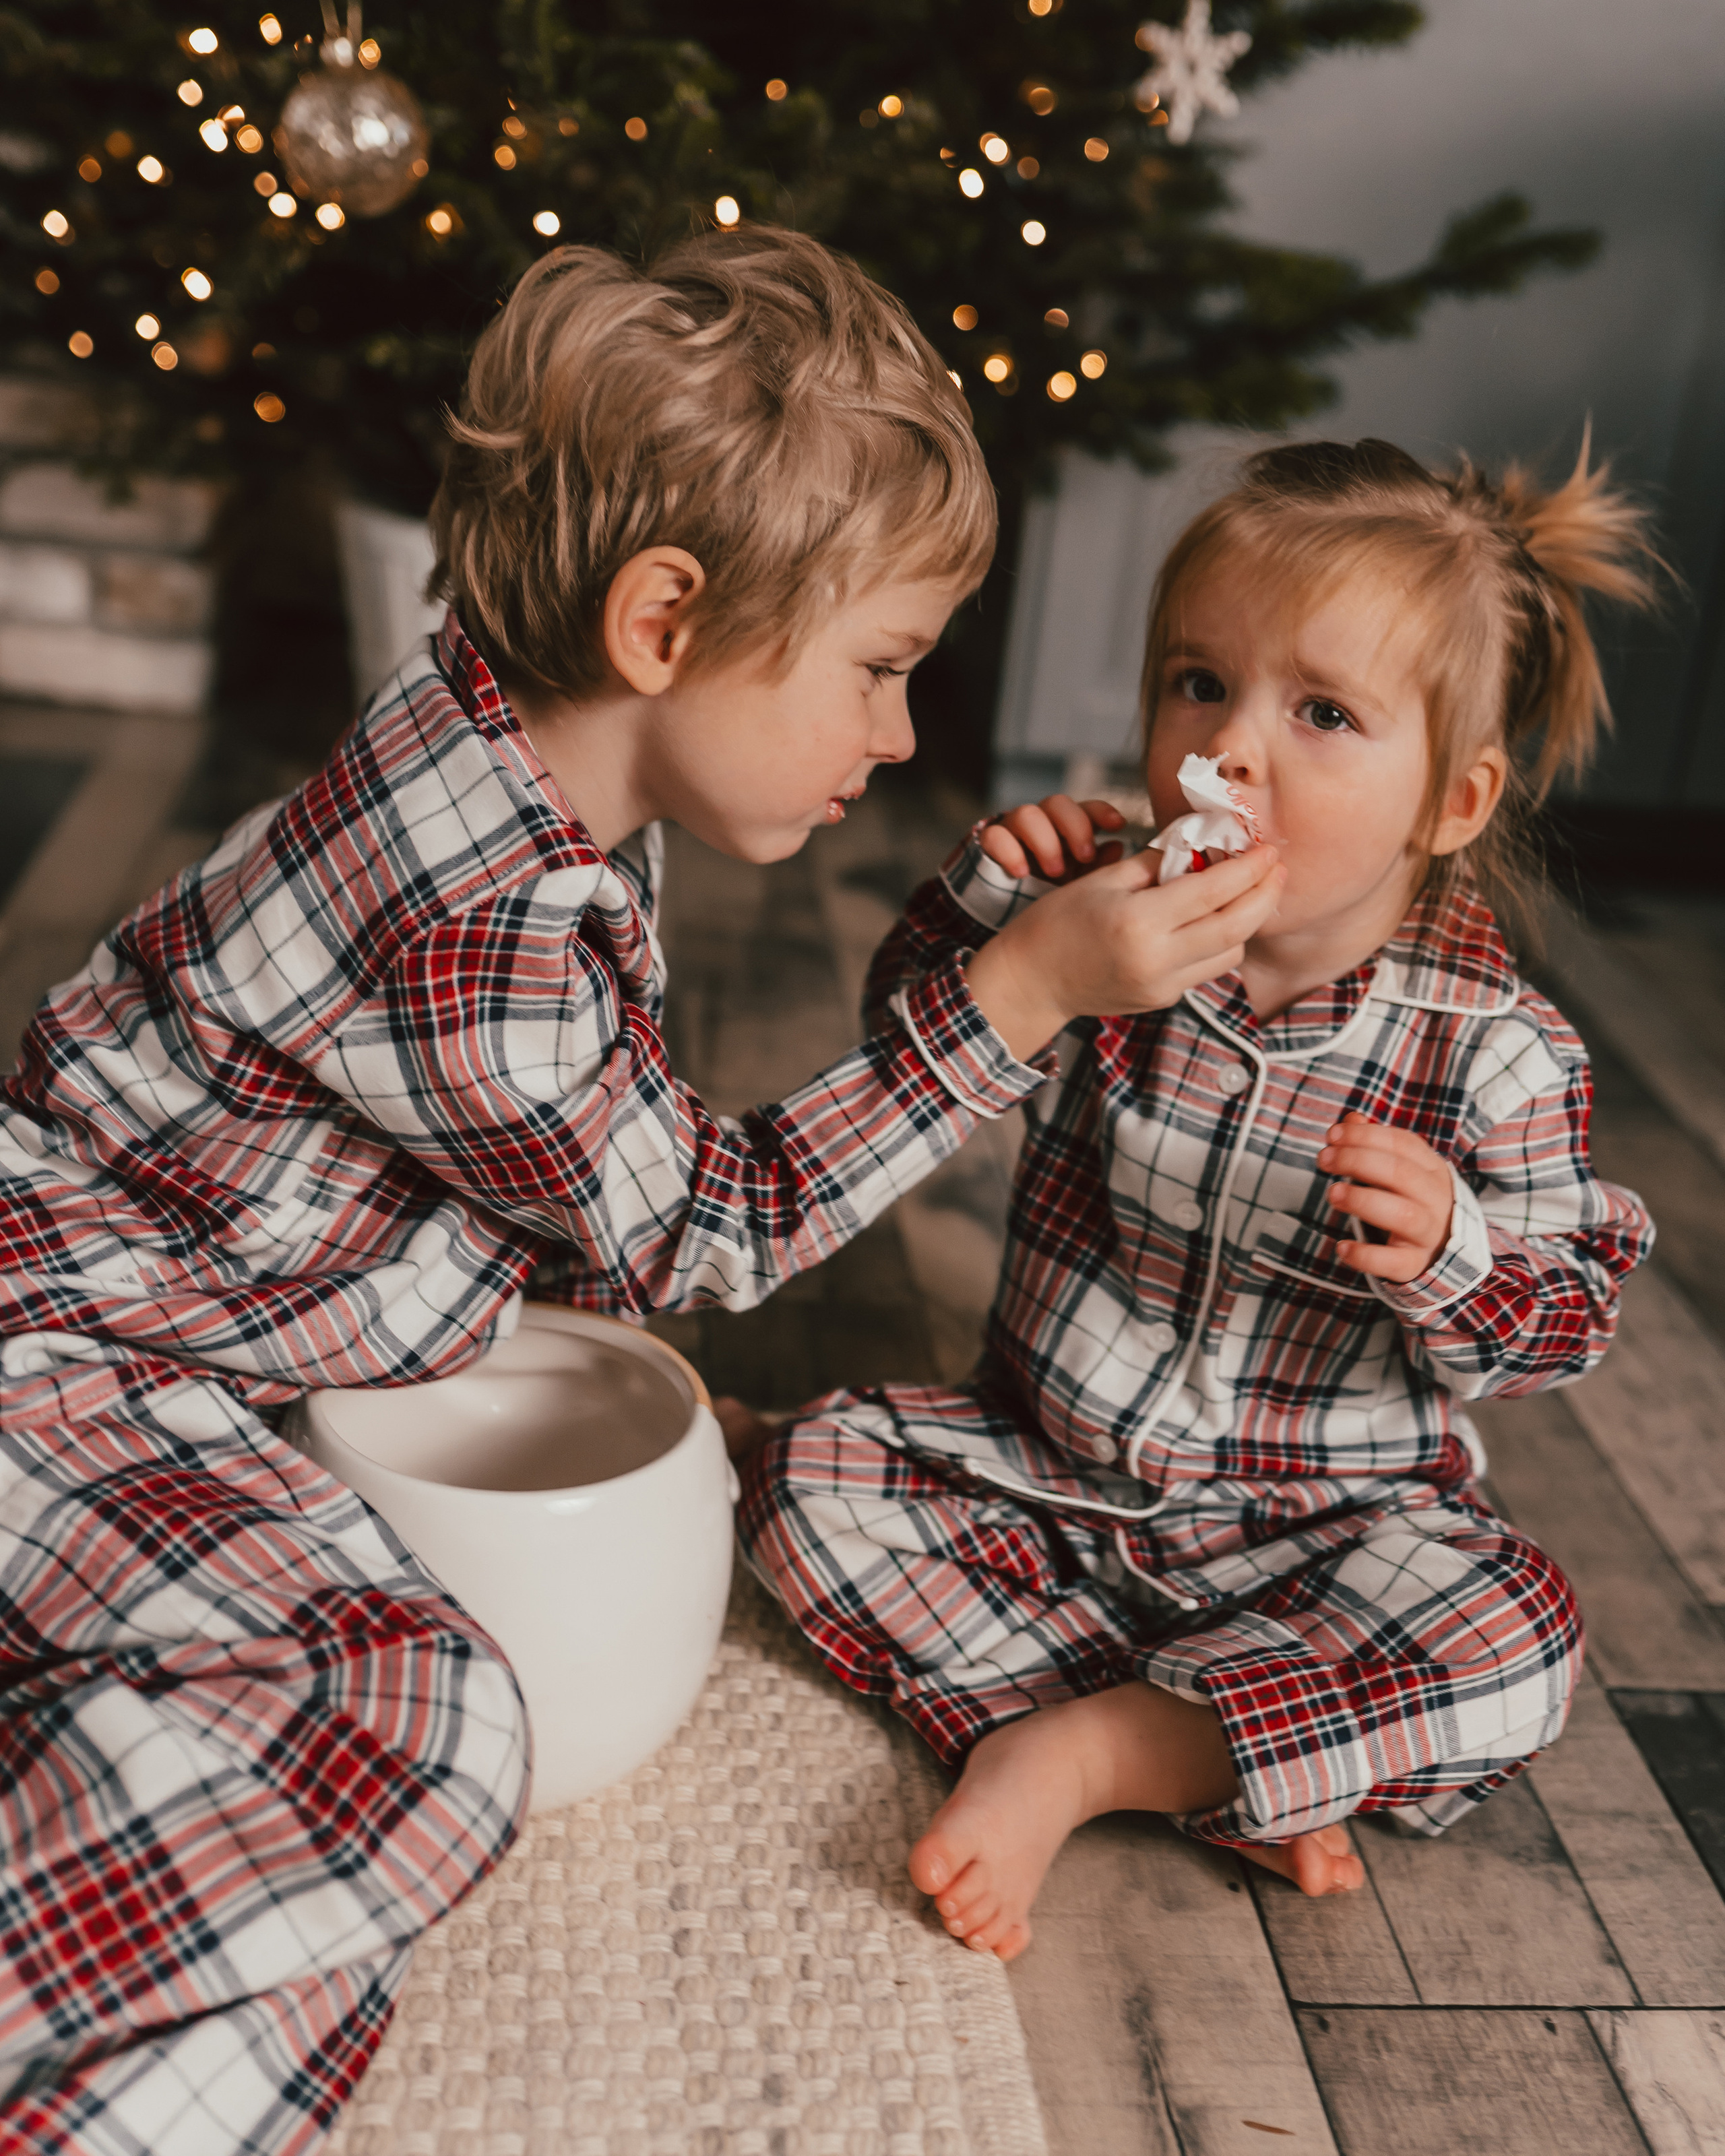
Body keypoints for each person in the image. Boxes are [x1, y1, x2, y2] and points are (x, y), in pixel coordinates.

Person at [0, 225, 1279, 2156]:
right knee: (417, 1728)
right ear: (666, 626)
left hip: (140, 1332)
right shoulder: (477, 924)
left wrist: (993, 942)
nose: (901, 733)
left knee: (330, 1873)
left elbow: (610, 1143)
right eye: (878, 668)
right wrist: (1020, 1000)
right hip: (61, 1358)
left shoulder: (504, 751)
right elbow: (700, 1226)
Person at [738, 434, 1659, 1964]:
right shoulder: (1104, 925)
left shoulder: (1491, 1056)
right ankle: (1228, 1749)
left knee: (1516, 1638)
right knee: (804, 1478)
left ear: (1448, 798)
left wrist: (1456, 1254)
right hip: (1047, 1475)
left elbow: (1558, 1327)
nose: (1226, 750)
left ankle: (1085, 1752)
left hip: (1321, 1534)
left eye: (1319, 714)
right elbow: (909, 1046)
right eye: (1194, 683)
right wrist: (993, 917)